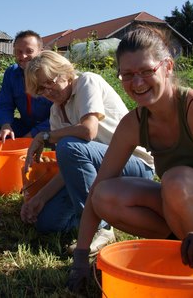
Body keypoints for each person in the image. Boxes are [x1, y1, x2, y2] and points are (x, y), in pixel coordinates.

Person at [68, 26, 193, 292]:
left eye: (146, 71)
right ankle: (183, 248)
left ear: (167, 66)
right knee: (104, 194)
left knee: (176, 180)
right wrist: (81, 257)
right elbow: (97, 190)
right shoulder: (134, 123)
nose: (137, 83)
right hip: (186, 206)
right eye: (127, 75)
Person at [20, 50, 155, 255]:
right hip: (101, 172)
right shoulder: (56, 111)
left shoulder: (86, 82)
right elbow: (71, 166)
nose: (48, 90)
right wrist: (40, 197)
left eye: (50, 81)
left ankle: (100, 227)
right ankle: (103, 213)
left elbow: (87, 131)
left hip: (134, 165)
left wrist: (44, 137)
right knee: (46, 223)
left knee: (69, 145)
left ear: (64, 72)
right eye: (40, 89)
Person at [0, 30, 53, 143]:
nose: (23, 56)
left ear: (40, 52)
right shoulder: (12, 73)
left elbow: (59, 114)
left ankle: (30, 144)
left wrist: (32, 135)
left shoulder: (50, 74)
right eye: (19, 51)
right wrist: (5, 125)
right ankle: (12, 147)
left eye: (29, 51)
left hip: (50, 128)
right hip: (25, 125)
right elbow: (5, 104)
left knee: (64, 136)